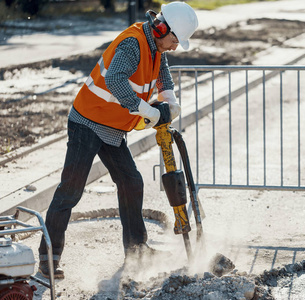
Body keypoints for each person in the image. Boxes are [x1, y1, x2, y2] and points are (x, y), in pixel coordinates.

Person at [37, 1, 198, 279]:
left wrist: (170, 101)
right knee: (70, 190)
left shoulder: (155, 47)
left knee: (131, 182)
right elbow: (115, 81)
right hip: (87, 122)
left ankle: (137, 250)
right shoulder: (133, 44)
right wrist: (147, 110)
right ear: (162, 28)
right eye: (175, 39)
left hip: (111, 128)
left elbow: (163, 74)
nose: (174, 46)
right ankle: (48, 259)